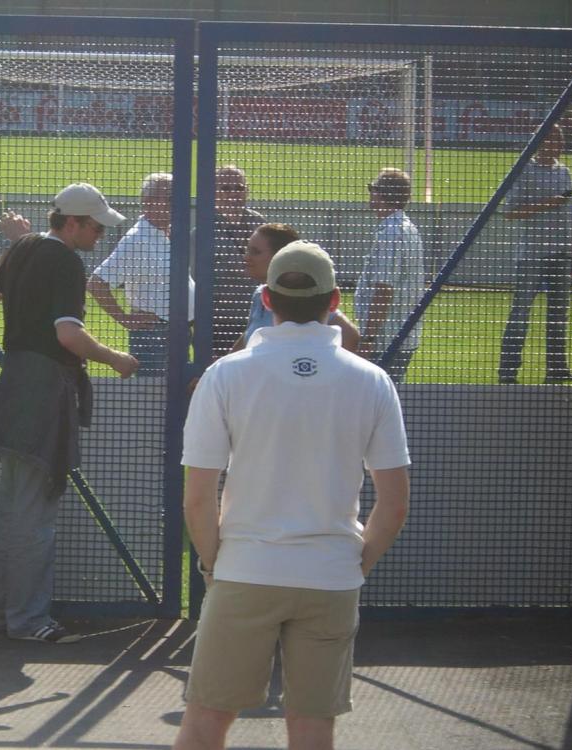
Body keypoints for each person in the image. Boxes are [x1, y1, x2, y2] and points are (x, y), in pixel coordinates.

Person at [174, 240, 411, 750]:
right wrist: (351, 566)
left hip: (244, 572)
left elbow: (198, 497)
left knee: (204, 724)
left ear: (266, 296)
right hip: (330, 577)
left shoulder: (225, 375)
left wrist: (215, 567)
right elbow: (393, 505)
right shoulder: (372, 381)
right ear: (335, 301)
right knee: (312, 729)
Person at [0, 182, 139, 644]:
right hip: (44, 388)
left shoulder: (26, 249)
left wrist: (14, 244)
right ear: (71, 223)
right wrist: (115, 358)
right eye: (95, 227)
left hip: (14, 386)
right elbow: (68, 335)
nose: (100, 236)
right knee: (35, 516)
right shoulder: (66, 261)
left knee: (12, 511)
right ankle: (29, 621)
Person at [498, 123, 572, 384]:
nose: (558, 143)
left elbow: (570, 216)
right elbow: (510, 212)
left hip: (560, 254)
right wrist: (548, 203)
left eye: (560, 138)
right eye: (552, 138)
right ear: (539, 141)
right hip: (531, 255)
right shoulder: (523, 169)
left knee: (559, 314)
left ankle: (557, 368)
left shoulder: (565, 172)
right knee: (520, 313)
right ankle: (508, 371)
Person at [87, 172, 195, 373]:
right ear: (148, 202)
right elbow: (96, 283)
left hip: (179, 330)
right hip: (154, 335)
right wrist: (123, 318)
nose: (176, 203)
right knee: (155, 397)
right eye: (170, 198)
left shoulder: (171, 233)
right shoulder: (137, 240)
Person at [230, 223, 361, 353]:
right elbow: (249, 336)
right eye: (247, 250)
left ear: (280, 256)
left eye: (255, 252)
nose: (246, 257)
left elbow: (350, 335)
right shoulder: (260, 294)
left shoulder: (302, 296)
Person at [353, 167, 426, 384]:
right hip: (401, 333)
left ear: (381, 194)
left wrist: (368, 338)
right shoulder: (407, 228)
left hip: (386, 339)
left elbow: (384, 289)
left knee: (375, 402)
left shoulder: (392, 234)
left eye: (372, 189)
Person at [203, 165, 266, 358]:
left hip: (256, 318)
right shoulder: (204, 228)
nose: (233, 194)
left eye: (238, 188)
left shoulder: (259, 223)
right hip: (218, 322)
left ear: (246, 191)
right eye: (226, 188)